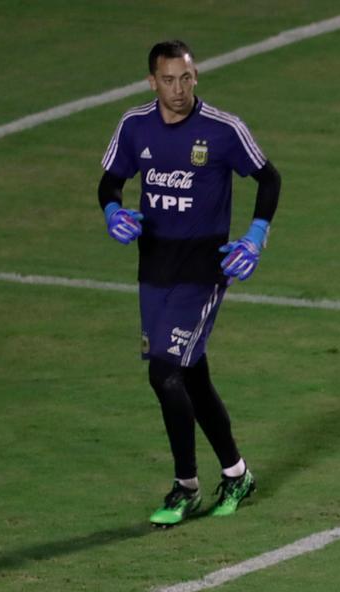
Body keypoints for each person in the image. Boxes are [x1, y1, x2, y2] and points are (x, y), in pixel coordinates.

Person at [98, 40, 282, 527]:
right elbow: (110, 180)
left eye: (186, 78)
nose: (178, 89)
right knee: (190, 375)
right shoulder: (135, 125)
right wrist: (112, 209)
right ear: (152, 81)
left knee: (164, 373)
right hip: (154, 266)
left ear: (195, 76)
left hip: (204, 269)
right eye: (168, 80)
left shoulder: (223, 130)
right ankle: (237, 474)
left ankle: (185, 487)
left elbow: (269, 178)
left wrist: (256, 235)